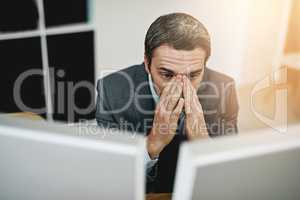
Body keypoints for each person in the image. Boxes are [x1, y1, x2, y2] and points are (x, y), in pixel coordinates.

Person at [95, 12, 239, 193]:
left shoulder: (224, 89)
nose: (180, 86)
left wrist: (203, 142)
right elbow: (110, 177)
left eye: (193, 75)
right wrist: (152, 144)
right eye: (167, 74)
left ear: (204, 64)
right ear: (147, 63)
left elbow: (230, 175)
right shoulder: (111, 91)